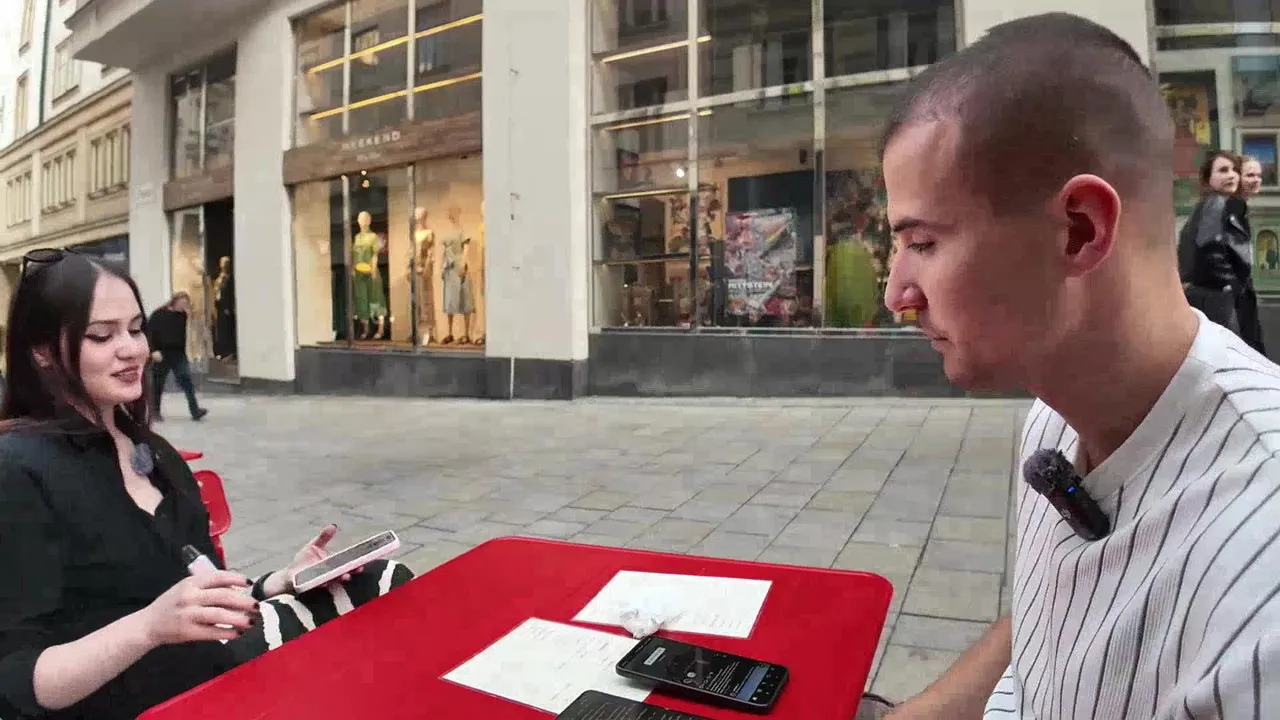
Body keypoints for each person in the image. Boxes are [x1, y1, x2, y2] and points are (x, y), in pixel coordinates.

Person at [870, 12, 1280, 720]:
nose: (896, 293)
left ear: (1080, 230)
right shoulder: (1054, 419)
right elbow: (1047, 626)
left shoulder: (1261, 582)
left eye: (924, 243)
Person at [0, 249, 415, 720]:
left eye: (135, 329)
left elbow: (200, 590)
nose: (132, 349)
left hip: (206, 654)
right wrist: (148, 627)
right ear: (42, 352)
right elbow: (16, 681)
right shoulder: (18, 469)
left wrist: (281, 581)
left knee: (383, 581)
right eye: (101, 335)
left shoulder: (154, 452)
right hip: (136, 695)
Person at [1177, 150, 1265, 352]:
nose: (1232, 175)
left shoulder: (1215, 204)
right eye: (1223, 170)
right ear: (1209, 179)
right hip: (1220, 298)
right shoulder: (1217, 202)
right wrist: (1232, 286)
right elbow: (1209, 245)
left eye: (1234, 170)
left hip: (1215, 296)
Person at [147, 292, 208, 422]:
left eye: (186, 304)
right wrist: (153, 350)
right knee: (158, 383)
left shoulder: (183, 315)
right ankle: (155, 412)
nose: (184, 306)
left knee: (186, 380)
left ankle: (195, 411)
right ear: (175, 302)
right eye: (182, 303)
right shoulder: (158, 314)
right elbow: (149, 333)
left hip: (178, 353)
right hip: (162, 353)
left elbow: (187, 332)